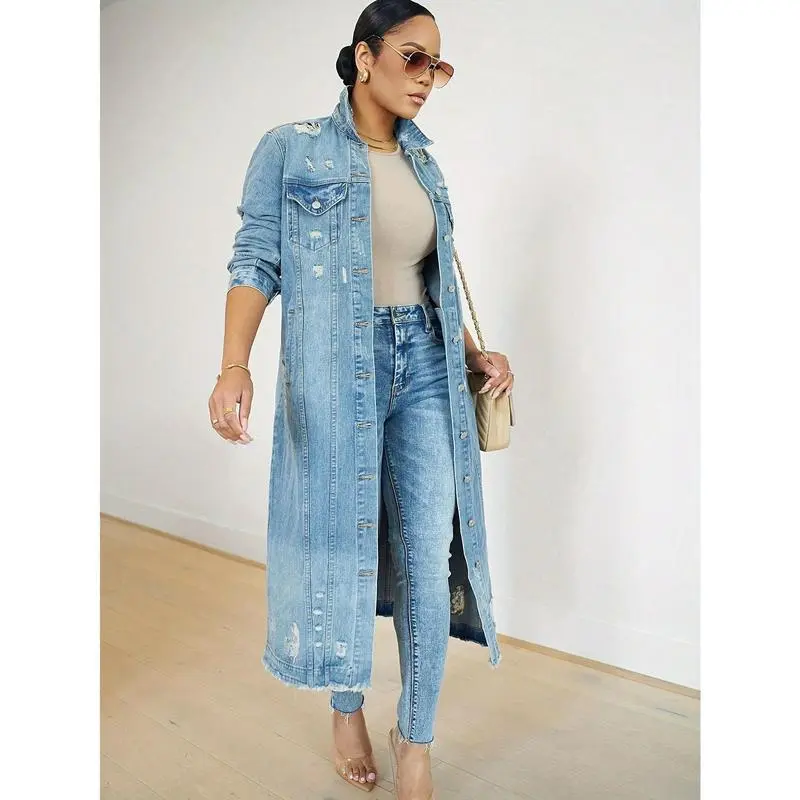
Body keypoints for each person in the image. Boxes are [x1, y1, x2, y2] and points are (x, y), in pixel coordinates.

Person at [208, 2, 514, 796]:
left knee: (425, 554)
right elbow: (255, 259)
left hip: (428, 364)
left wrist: (474, 352)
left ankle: (416, 739)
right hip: (336, 367)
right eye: (414, 57)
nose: (428, 78)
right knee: (344, 541)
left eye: (438, 66)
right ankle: (345, 705)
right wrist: (234, 365)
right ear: (364, 56)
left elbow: (430, 278)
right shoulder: (292, 147)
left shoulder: (426, 165)